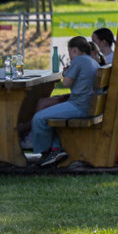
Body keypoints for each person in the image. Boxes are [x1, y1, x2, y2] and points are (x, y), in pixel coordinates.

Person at [31, 35, 99, 168]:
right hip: (89, 105)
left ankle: (45, 153)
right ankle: (56, 150)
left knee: (39, 118)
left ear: (74, 50)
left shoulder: (78, 60)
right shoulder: (92, 61)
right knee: (50, 117)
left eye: (70, 53)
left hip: (80, 106)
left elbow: (67, 83)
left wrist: (66, 73)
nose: (70, 56)